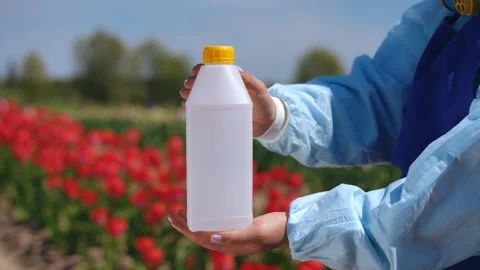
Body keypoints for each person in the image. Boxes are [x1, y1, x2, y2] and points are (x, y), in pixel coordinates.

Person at [170, 0, 480, 269]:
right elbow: (380, 100)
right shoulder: (445, 14)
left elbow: (461, 192)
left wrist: (297, 228)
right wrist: (277, 115)